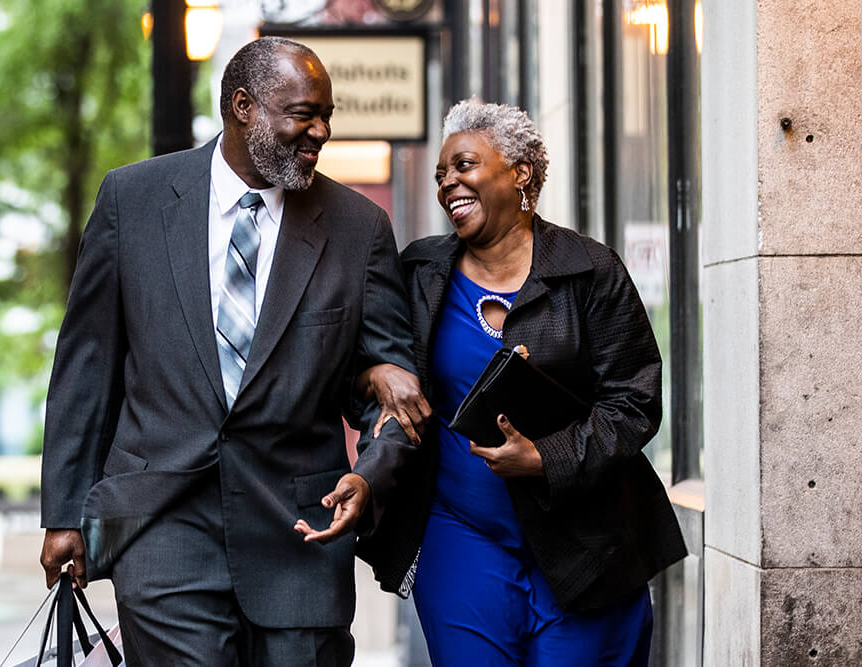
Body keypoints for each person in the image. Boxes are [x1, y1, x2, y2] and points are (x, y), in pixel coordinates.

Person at [38, 36, 423, 666]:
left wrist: (372, 473)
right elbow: (87, 367)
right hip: (161, 524)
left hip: (301, 529)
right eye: (303, 114)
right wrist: (63, 511)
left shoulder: (358, 227)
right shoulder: (130, 201)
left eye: (327, 115)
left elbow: (392, 389)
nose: (321, 131)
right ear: (244, 106)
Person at [356, 99, 688, 666]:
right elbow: (364, 362)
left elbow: (635, 400)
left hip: (586, 544)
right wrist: (374, 372)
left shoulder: (590, 270)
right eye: (440, 175)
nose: (448, 184)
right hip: (460, 535)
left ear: (520, 173)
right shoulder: (419, 273)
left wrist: (546, 458)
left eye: (463, 165)